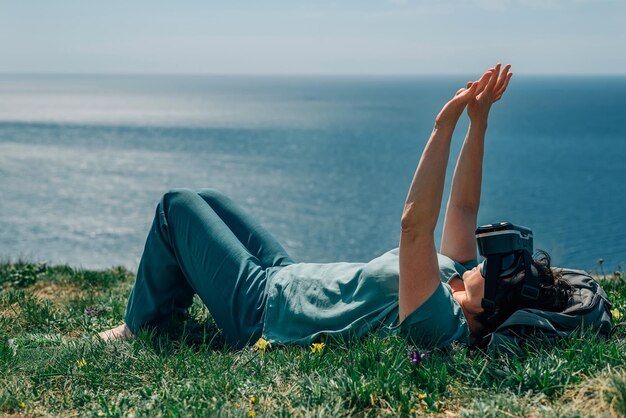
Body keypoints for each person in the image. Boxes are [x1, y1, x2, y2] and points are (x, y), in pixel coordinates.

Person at [98, 64, 570, 349]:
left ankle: (145, 326)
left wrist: (441, 128)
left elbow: (414, 227)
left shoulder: (437, 323)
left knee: (175, 208)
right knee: (209, 202)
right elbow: (464, 208)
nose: (486, 260)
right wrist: (479, 122)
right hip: (286, 274)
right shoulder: (455, 274)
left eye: (499, 268)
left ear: (495, 305)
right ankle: (166, 305)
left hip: (262, 311)